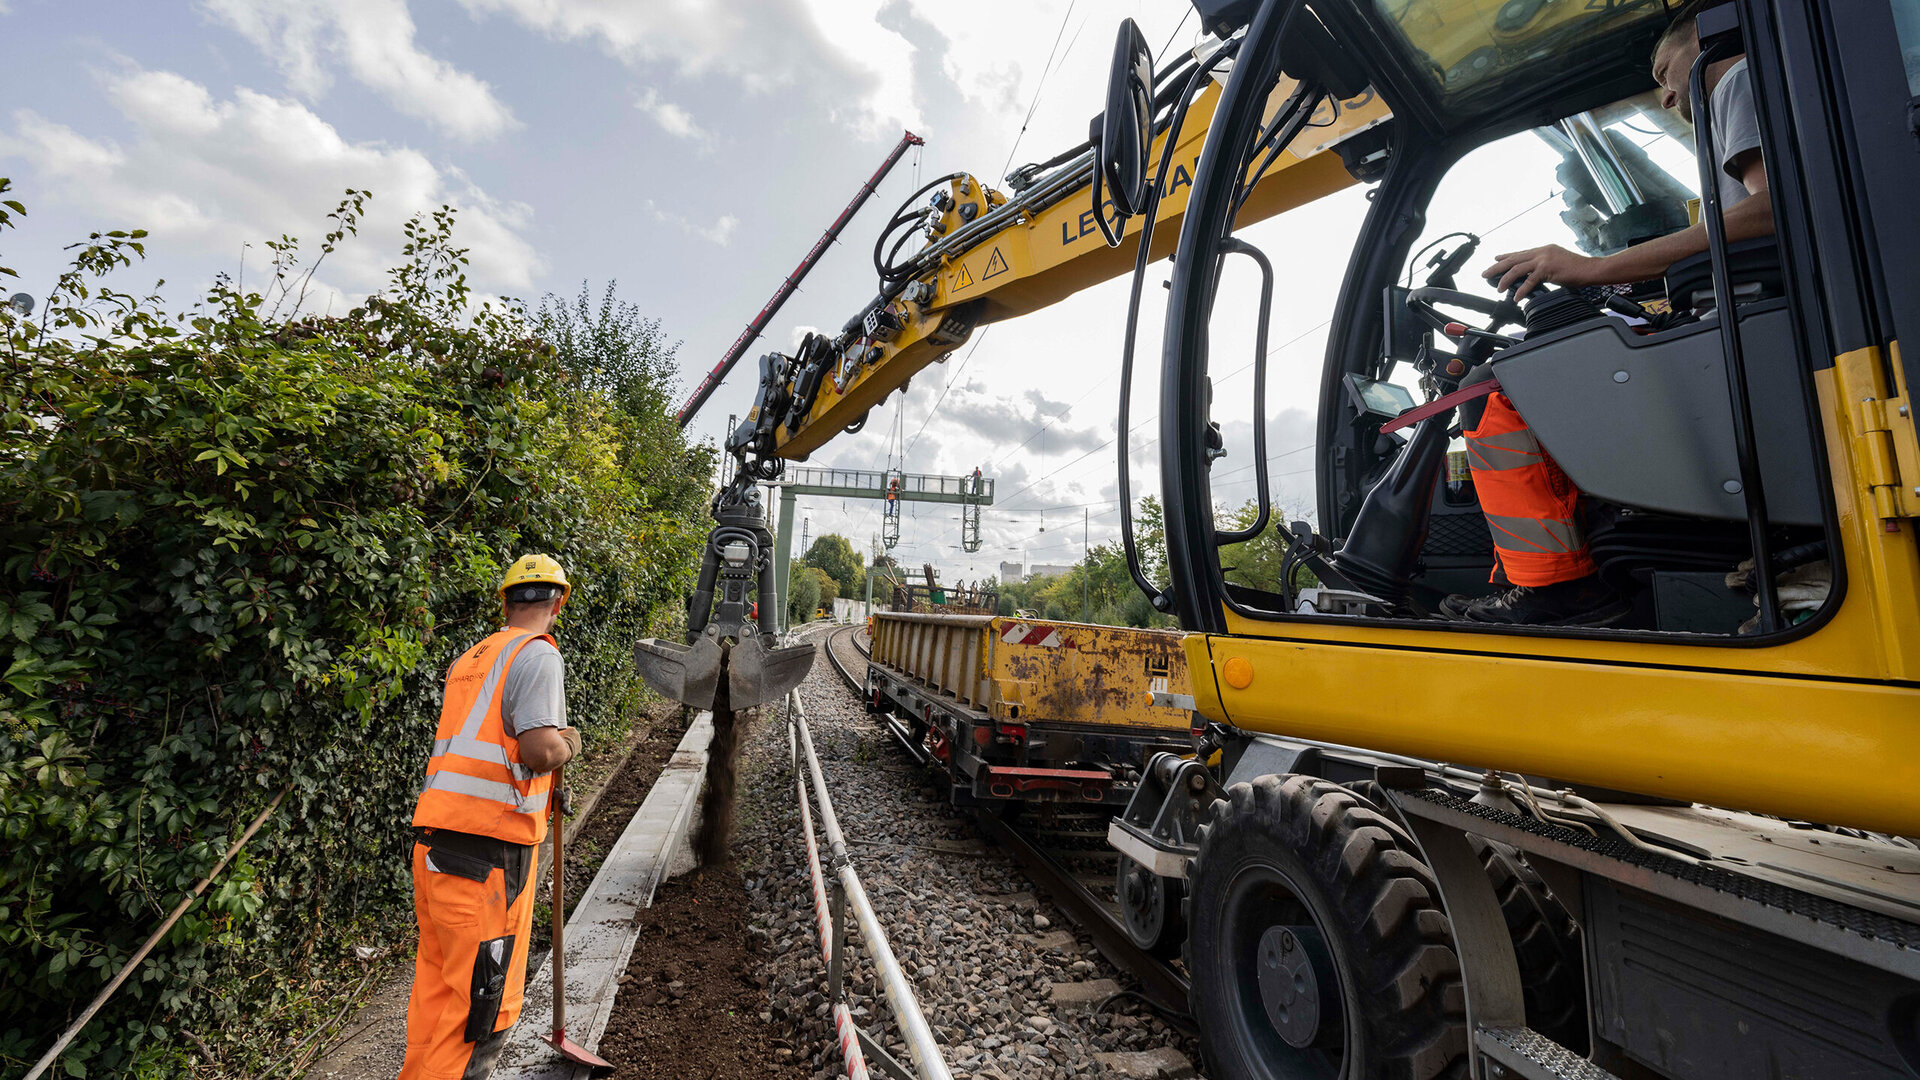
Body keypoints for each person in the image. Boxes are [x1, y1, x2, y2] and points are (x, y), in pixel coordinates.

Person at [1441, 0, 1771, 626]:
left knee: (1493, 390)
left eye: (1664, 71)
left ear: (1705, 33)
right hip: (1744, 329)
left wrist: (1588, 269)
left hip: (1746, 332)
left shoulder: (1736, 77)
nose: (1665, 97)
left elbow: (1769, 211)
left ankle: (1558, 587)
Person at [401, 555, 582, 1079]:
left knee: (438, 999)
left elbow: (488, 751)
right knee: (481, 1012)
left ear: (505, 602)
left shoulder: (472, 659)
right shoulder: (538, 654)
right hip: (489, 858)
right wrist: (569, 743)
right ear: (558, 603)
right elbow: (538, 750)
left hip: (436, 847)